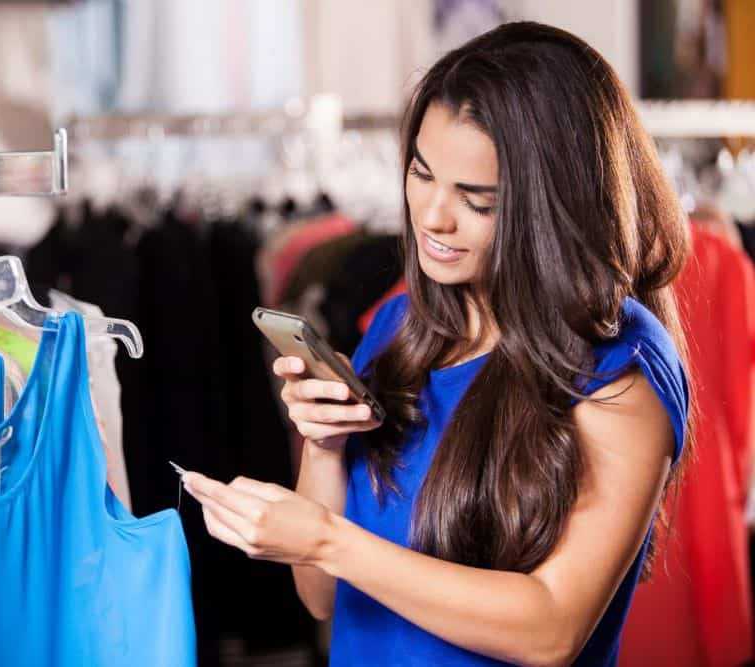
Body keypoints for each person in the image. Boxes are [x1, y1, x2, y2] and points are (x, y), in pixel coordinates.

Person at [182, 21, 691, 667]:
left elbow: (552, 628)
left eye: (478, 201)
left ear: (554, 205)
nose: (432, 217)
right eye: (421, 174)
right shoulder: (401, 327)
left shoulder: (619, 364)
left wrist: (330, 539)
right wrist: (323, 446)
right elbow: (325, 598)